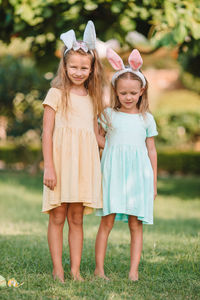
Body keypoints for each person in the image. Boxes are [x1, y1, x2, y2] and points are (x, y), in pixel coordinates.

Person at [42, 21, 104, 282]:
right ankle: (58, 270)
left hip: (83, 167)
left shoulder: (93, 98)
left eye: (84, 68)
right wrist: (49, 167)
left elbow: (96, 137)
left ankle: (75, 271)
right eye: (73, 67)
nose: (78, 72)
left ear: (91, 70)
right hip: (59, 164)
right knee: (58, 215)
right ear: (64, 67)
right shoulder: (56, 93)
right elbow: (47, 132)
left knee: (76, 217)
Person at [95, 48, 158, 281]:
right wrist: (109, 146)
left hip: (138, 176)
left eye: (133, 92)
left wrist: (153, 183)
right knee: (107, 221)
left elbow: (151, 150)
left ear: (141, 91)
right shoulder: (108, 114)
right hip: (113, 174)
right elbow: (97, 137)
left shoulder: (146, 118)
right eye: (123, 93)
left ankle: (133, 271)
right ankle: (99, 270)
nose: (128, 97)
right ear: (116, 92)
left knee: (136, 224)